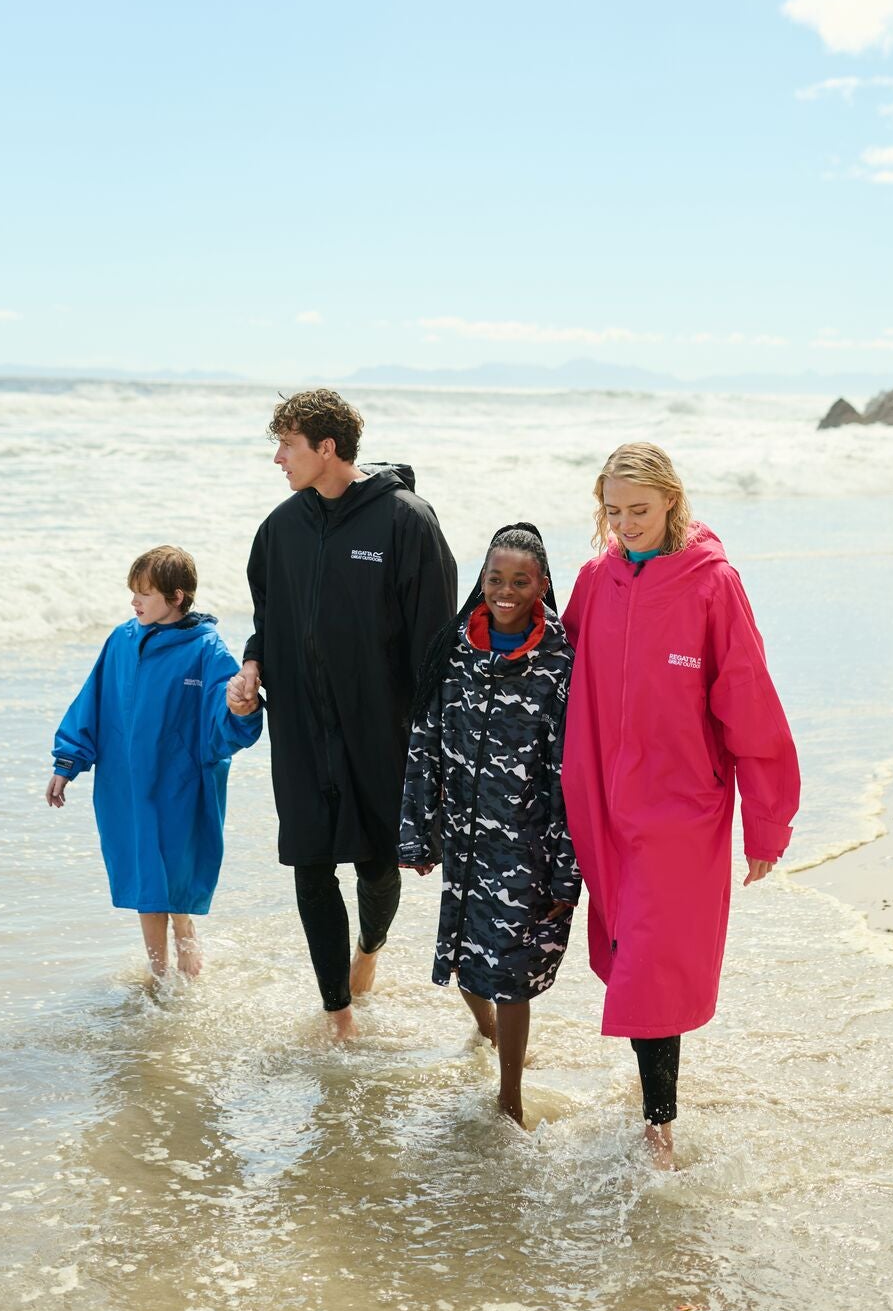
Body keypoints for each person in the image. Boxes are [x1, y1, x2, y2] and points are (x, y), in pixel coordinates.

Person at [561, 444, 800, 1168]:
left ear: (671, 500)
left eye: (639, 509)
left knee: (652, 963)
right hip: (601, 803)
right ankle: (650, 1097)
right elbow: (554, 669)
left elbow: (750, 704)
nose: (625, 524)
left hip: (680, 809)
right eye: (613, 511)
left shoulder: (712, 585)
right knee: (625, 952)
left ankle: (657, 1128)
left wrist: (765, 822)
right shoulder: (595, 580)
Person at [226, 389, 458, 1041]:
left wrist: (435, 751)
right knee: (309, 863)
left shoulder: (407, 522)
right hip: (300, 727)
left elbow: (436, 645)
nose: (278, 459)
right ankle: (338, 1013)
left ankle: (370, 948)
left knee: (376, 867)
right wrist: (251, 668)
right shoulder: (279, 529)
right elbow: (268, 621)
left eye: (287, 445)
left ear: (326, 448)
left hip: (379, 731)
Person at [399, 523, 579, 1127]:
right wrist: (416, 831)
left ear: (541, 585)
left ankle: (510, 1100)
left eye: (520, 581)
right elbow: (425, 743)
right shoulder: (452, 651)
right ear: (482, 581)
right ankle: (491, 1036)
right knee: (464, 966)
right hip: (463, 838)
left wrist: (566, 871)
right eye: (495, 579)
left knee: (511, 977)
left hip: (527, 848)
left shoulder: (560, 663)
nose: (506, 591)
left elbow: (570, 775)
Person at [46, 545, 263, 983]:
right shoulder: (121, 641)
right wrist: (67, 762)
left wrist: (241, 709)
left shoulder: (207, 650)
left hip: (181, 783)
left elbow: (227, 719)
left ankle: (183, 933)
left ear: (176, 596)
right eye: (133, 592)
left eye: (144, 593)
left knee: (175, 869)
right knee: (147, 879)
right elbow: (91, 704)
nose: (134, 602)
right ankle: (160, 975)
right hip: (126, 783)